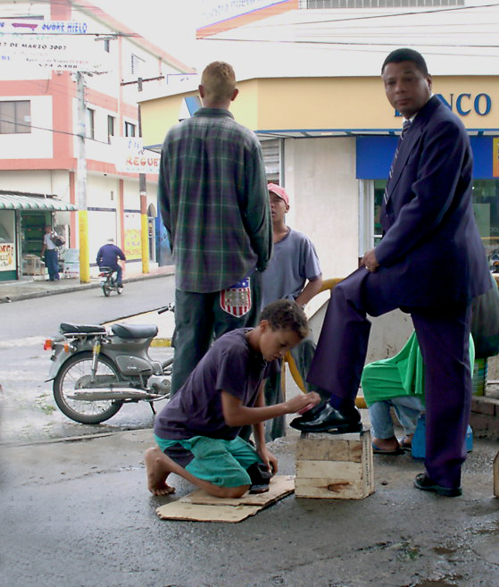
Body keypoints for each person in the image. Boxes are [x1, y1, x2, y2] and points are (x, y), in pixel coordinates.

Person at [292, 48, 492, 498]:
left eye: (406, 79)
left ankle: (337, 403)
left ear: (428, 81)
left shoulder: (442, 127)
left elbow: (426, 205)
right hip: (426, 266)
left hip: (434, 268)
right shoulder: (418, 126)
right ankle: (441, 471)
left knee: (350, 296)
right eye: (389, 82)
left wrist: (383, 252)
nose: (397, 89)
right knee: (444, 370)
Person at [158, 61, 272, 396]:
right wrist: (262, 257)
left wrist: (182, 245)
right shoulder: (245, 140)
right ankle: (229, 438)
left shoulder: (173, 138)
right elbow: (257, 210)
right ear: (234, 95)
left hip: (190, 270)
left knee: (188, 351)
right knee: (235, 351)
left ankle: (180, 436)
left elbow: (166, 205)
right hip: (235, 270)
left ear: (200, 93)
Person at [145, 300, 321, 498]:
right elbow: (234, 416)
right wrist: (287, 407)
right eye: (281, 345)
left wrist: (261, 446)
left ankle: (210, 456)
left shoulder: (266, 351)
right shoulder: (234, 352)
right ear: (264, 326)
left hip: (216, 434)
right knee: (235, 487)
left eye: (288, 348)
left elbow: (257, 396)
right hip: (184, 433)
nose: (282, 353)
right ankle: (162, 459)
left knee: (260, 475)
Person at [257, 183, 325, 441]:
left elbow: (316, 279)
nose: (271, 205)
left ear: (287, 206)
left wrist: (297, 306)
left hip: (289, 317)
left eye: (277, 200)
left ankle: (319, 412)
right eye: (266, 200)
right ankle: (274, 435)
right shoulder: (254, 242)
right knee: (268, 372)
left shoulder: (300, 241)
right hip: (261, 321)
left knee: (309, 354)